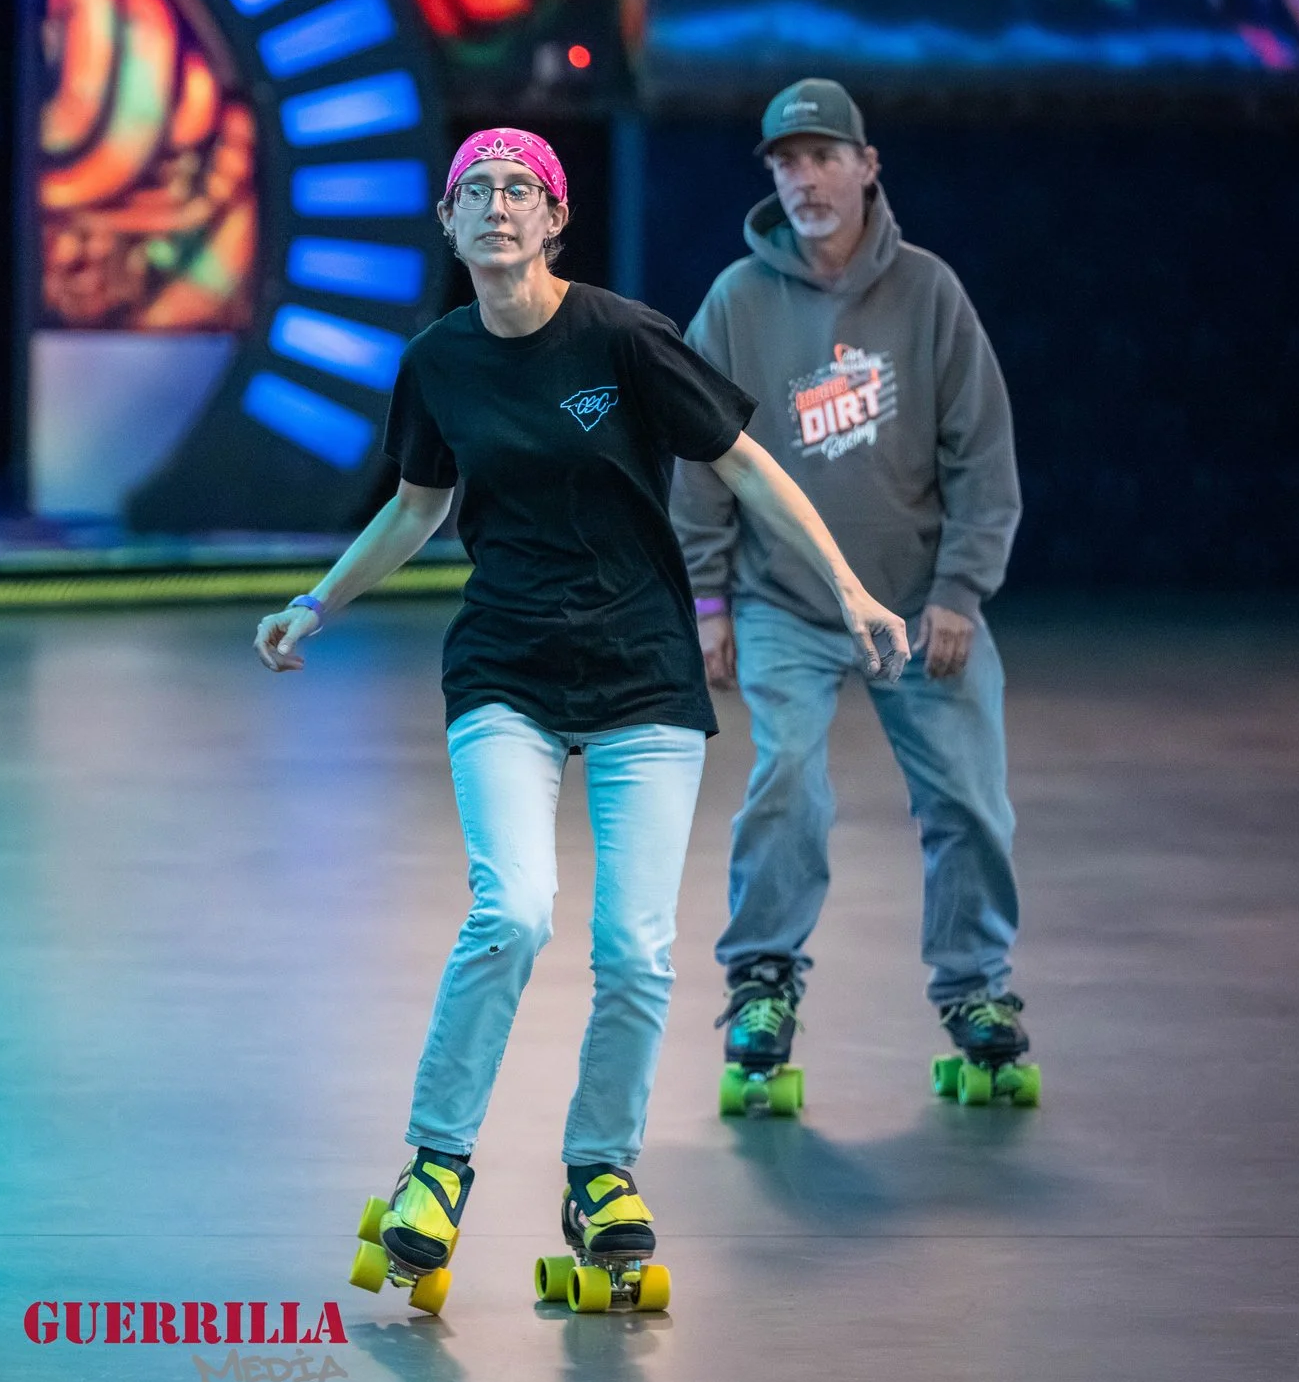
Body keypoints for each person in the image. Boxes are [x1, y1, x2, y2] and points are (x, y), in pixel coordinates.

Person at [255, 128, 908, 1309]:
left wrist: (849, 589)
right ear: (448, 224)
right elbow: (415, 509)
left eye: (521, 191)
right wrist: (315, 601)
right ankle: (436, 1165)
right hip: (504, 665)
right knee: (510, 909)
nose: (497, 207)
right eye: (476, 192)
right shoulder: (438, 360)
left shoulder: (622, 335)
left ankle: (598, 1171)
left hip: (641, 673)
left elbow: (749, 467)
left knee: (636, 949)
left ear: (554, 221)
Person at [671, 79, 1030, 1110]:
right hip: (784, 598)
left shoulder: (928, 294)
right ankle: (762, 981)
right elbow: (700, 458)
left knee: (967, 797)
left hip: (919, 600)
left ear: (867, 166)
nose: (803, 177)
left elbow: (982, 457)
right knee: (787, 777)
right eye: (784, 161)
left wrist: (959, 590)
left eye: (823, 156)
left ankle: (975, 990)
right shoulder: (738, 299)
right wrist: (707, 602)